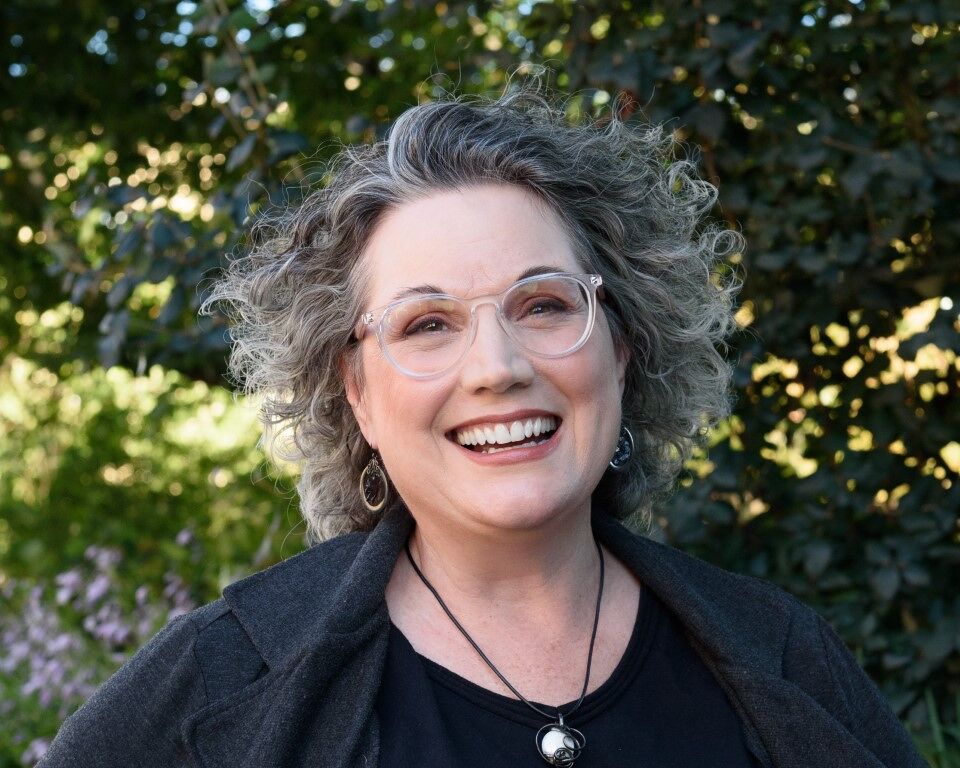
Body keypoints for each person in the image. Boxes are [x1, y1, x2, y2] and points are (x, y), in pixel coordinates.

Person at [40, 84, 926, 768]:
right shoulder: (223, 683)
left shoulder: (787, 661)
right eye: (427, 324)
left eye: (542, 304)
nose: (498, 366)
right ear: (355, 390)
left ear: (620, 346)